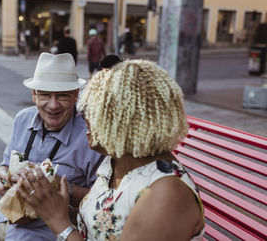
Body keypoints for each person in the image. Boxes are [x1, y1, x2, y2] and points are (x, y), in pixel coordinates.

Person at [18, 60, 205, 240]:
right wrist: (51, 199)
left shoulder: (165, 195)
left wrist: (58, 221)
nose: (84, 118)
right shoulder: (115, 161)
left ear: (129, 121)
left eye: (97, 111)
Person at [0, 52, 104, 241]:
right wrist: (3, 180)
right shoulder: (22, 119)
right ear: (34, 94)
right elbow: (4, 167)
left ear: (75, 95)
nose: (53, 105)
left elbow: (102, 201)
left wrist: (60, 187)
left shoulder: (91, 134)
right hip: (11, 218)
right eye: (45, 94)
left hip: (56, 228)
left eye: (61, 96)